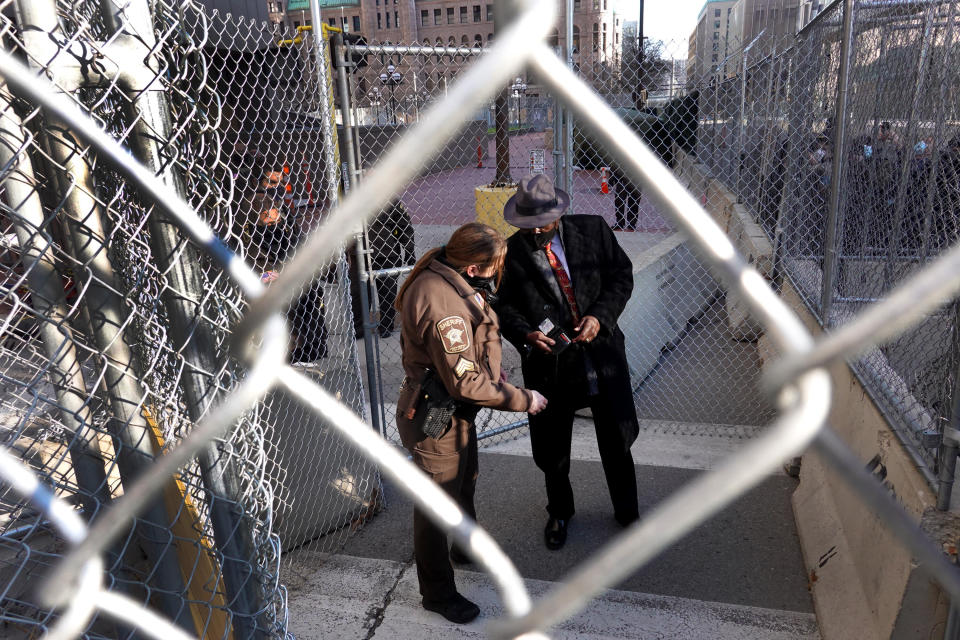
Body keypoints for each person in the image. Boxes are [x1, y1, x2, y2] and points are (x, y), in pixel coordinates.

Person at [395, 222, 548, 624]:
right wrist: (524, 399)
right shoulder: (442, 302)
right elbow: (463, 382)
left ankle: (464, 546)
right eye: (494, 267)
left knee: (464, 479)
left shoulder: (449, 276)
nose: (497, 274)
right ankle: (437, 593)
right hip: (438, 413)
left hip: (453, 411)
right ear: (476, 266)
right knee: (435, 503)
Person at [494, 174, 641, 551]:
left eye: (541, 224)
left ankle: (627, 511)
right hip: (550, 366)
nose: (535, 231)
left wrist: (599, 318)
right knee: (552, 447)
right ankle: (559, 512)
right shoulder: (511, 253)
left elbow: (621, 278)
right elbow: (504, 306)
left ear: (558, 215)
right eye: (527, 225)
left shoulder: (593, 231)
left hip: (601, 356)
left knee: (616, 437)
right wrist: (526, 334)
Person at [349, 199, 415, 338]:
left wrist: (409, 251)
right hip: (359, 255)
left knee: (388, 292)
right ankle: (360, 328)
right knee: (359, 293)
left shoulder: (390, 199)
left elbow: (404, 225)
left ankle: (386, 326)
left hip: (387, 253)